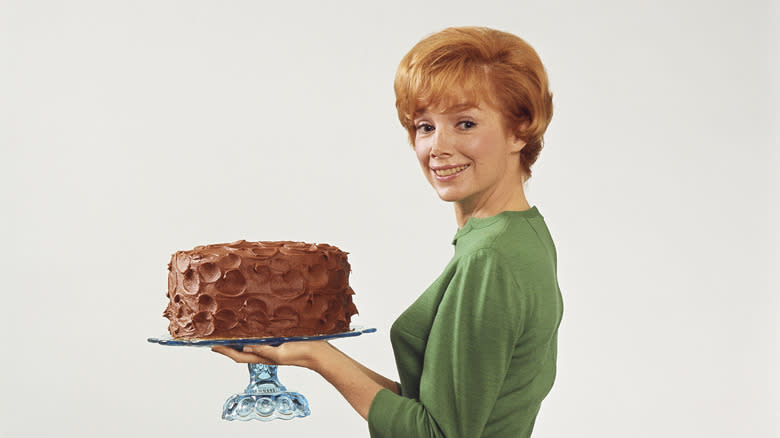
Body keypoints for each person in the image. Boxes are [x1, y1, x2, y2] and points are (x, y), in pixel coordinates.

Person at [213, 26, 563, 437]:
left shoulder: (491, 258)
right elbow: (442, 414)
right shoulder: (521, 235)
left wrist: (322, 357)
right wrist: (311, 353)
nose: (438, 147)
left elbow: (435, 434)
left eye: (465, 123)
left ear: (520, 130)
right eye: (424, 126)